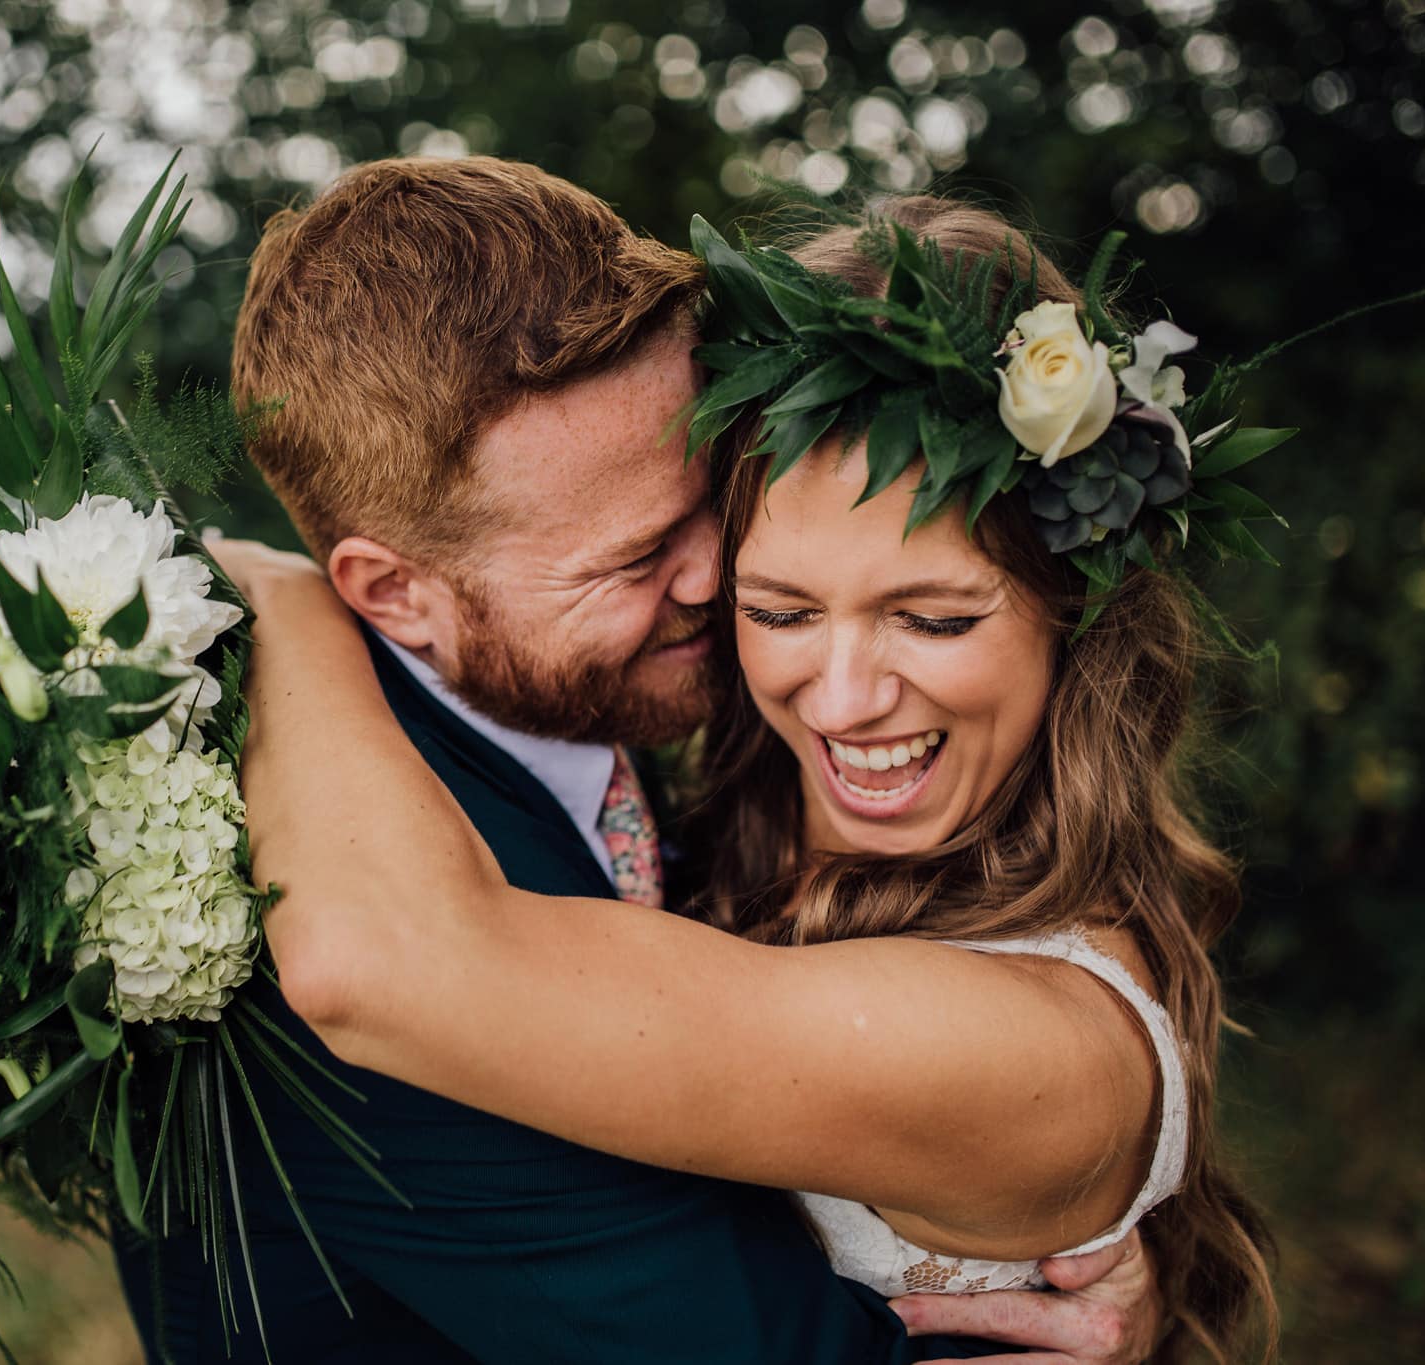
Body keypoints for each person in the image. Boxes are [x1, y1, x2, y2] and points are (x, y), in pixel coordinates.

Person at [110, 157, 1165, 1364]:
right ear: (392, 595)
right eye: (631, 558)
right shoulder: (306, 903)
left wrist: (1042, 1199)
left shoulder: (648, 729)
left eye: (708, 492)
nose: (721, 578)